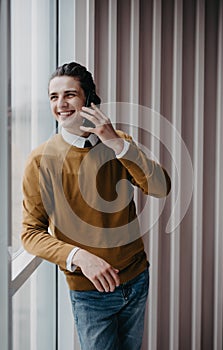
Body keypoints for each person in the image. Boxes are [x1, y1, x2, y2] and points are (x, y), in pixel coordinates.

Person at [21, 62, 171, 350]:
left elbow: (161, 188)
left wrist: (116, 143)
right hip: (90, 293)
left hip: (136, 279)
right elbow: (30, 233)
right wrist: (79, 256)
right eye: (54, 97)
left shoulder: (119, 144)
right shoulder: (41, 160)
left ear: (89, 100)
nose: (61, 104)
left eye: (70, 95)